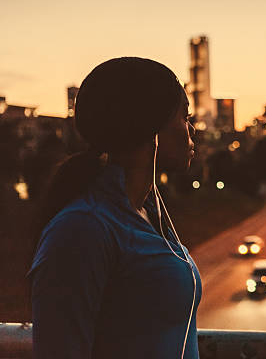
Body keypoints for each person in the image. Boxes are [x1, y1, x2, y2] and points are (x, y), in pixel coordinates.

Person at [28, 57, 202, 358]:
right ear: (153, 127)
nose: (192, 130)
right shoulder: (83, 228)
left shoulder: (150, 214)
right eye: (184, 117)